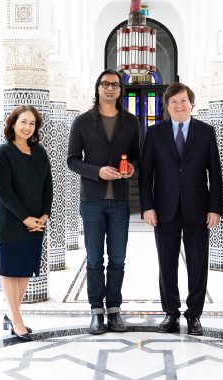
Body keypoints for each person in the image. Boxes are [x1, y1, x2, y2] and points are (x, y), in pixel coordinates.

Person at [139, 82, 223, 336]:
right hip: (164, 209)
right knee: (167, 264)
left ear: (191, 103)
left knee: (198, 263)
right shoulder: (154, 134)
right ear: (166, 106)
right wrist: (147, 207)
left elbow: (215, 174)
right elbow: (145, 175)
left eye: (183, 100)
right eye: (173, 101)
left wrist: (215, 208)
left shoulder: (206, 132)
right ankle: (171, 313)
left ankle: (194, 315)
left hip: (198, 208)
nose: (178, 105)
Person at [67, 69, 140, 334]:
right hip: (92, 201)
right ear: (97, 88)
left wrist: (131, 167)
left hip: (120, 202)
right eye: (105, 84)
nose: (110, 88)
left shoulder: (131, 122)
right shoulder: (83, 122)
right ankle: (97, 311)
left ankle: (115, 310)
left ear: (121, 90)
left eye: (115, 85)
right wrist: (97, 171)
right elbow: (72, 160)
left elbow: (138, 157)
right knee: (95, 259)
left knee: (118, 259)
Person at [0, 105, 53, 341]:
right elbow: (3, 192)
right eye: (23, 122)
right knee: (11, 271)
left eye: (32, 123)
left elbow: (48, 185)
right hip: (11, 222)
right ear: (13, 124)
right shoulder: (3, 152)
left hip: (36, 222)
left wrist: (44, 215)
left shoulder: (40, 152)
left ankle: (12, 314)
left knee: (24, 270)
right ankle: (17, 320)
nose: (27, 127)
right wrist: (26, 218)